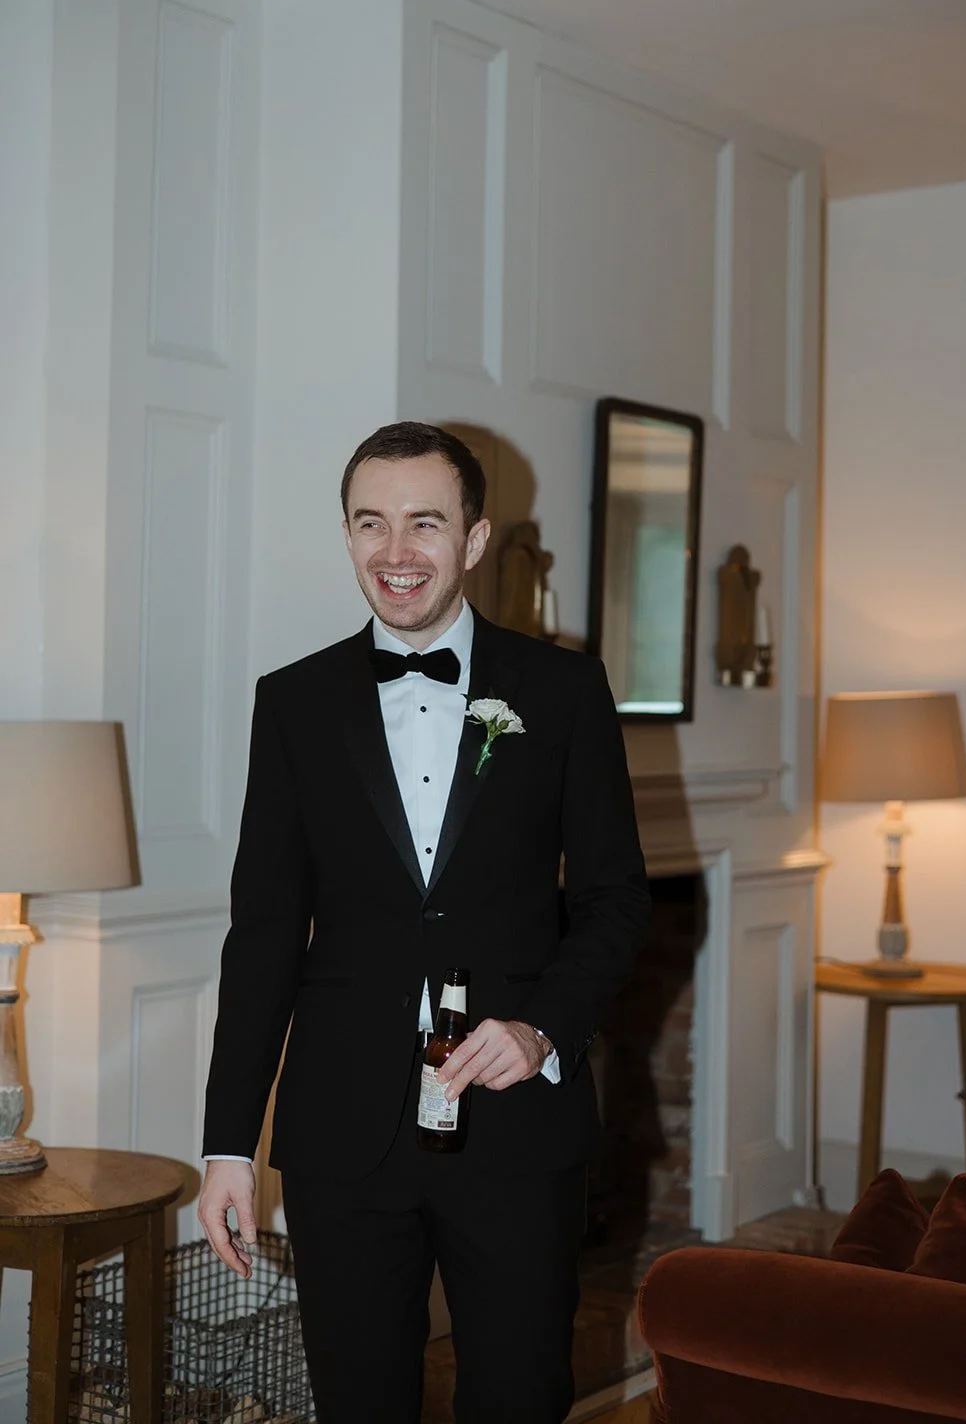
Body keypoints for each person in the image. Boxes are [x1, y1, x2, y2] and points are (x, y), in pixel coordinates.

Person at [198, 421, 650, 1424]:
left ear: (474, 538)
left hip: (515, 1122)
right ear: (347, 535)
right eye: (371, 522)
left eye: (424, 523)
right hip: (341, 1135)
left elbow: (617, 898)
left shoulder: (563, 691)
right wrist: (228, 1142)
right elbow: (263, 932)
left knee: (518, 1395)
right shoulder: (293, 702)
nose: (395, 550)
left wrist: (541, 1027)